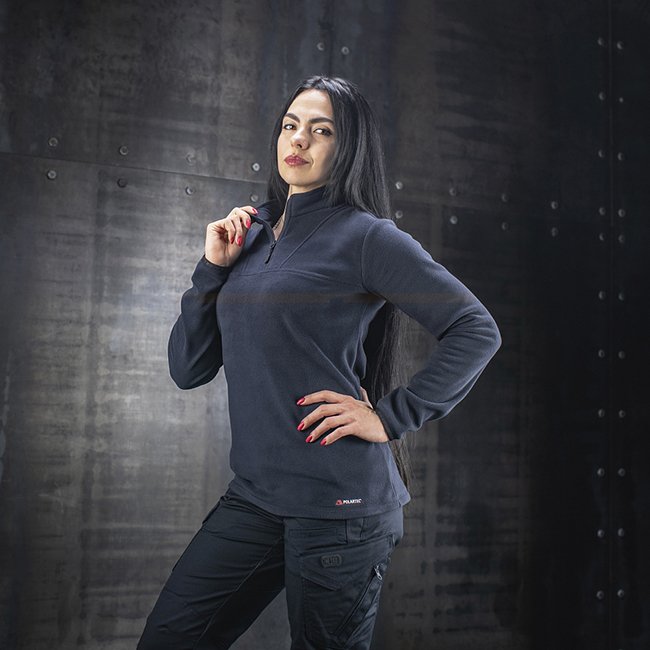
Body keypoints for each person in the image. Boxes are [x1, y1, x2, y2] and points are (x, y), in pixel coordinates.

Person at [137, 75, 501, 650]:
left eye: (321, 130)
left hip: (342, 509)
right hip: (258, 497)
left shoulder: (367, 238)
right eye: (290, 125)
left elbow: (475, 328)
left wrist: (389, 417)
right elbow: (188, 369)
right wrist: (212, 269)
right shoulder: (248, 234)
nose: (299, 140)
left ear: (348, 146)